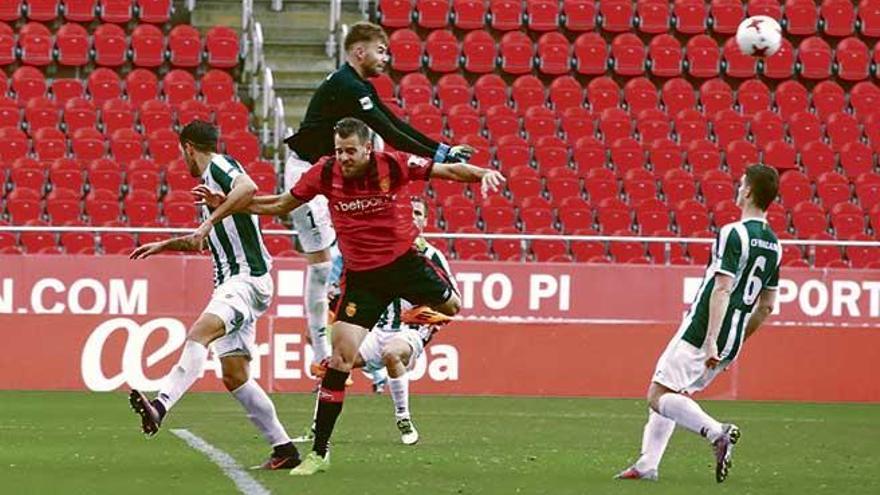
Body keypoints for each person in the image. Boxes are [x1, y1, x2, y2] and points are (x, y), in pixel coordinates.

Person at [192, 117, 504, 475]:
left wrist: (481, 174)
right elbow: (279, 204)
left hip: (405, 264)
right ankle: (319, 453)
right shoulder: (325, 173)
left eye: (350, 151)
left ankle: (415, 326)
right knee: (339, 360)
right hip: (363, 279)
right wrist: (232, 204)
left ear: (367, 148)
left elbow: (447, 170)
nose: (344, 158)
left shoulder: (394, 164)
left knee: (453, 306)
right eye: (339, 150)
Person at [282, 21, 474, 373]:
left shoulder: (356, 86)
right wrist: (441, 154)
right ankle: (320, 352)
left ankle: (338, 343)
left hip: (330, 173)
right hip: (309, 172)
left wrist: (440, 151)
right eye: (381, 50)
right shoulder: (347, 85)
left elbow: (392, 123)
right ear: (359, 51)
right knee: (322, 265)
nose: (386, 58)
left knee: (337, 259)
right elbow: (391, 131)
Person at [127, 121, 301, 471]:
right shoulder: (211, 187)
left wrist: (209, 220)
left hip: (246, 279)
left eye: (182, 153)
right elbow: (200, 240)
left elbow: (249, 187)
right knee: (235, 375)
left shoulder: (220, 166)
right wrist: (165, 244)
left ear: (189, 147)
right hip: (234, 283)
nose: (184, 160)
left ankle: (160, 406)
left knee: (198, 334)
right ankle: (284, 449)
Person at [615, 165, 781, 483]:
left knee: (657, 394)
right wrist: (734, 343)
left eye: (741, 183)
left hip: (704, 330)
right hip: (733, 337)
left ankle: (716, 433)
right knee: (673, 390)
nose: (738, 187)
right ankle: (648, 464)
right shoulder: (775, 245)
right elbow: (767, 306)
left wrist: (711, 341)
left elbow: (721, 288)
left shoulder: (734, 232)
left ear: (748, 191)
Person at [296, 196, 456, 446]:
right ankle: (317, 428)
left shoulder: (432, 256)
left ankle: (403, 418)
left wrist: (421, 315)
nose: (413, 217)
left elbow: (452, 306)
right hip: (375, 329)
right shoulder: (379, 250)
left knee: (392, 354)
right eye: (408, 212)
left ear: (425, 220)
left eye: (418, 213)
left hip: (408, 331)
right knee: (335, 364)